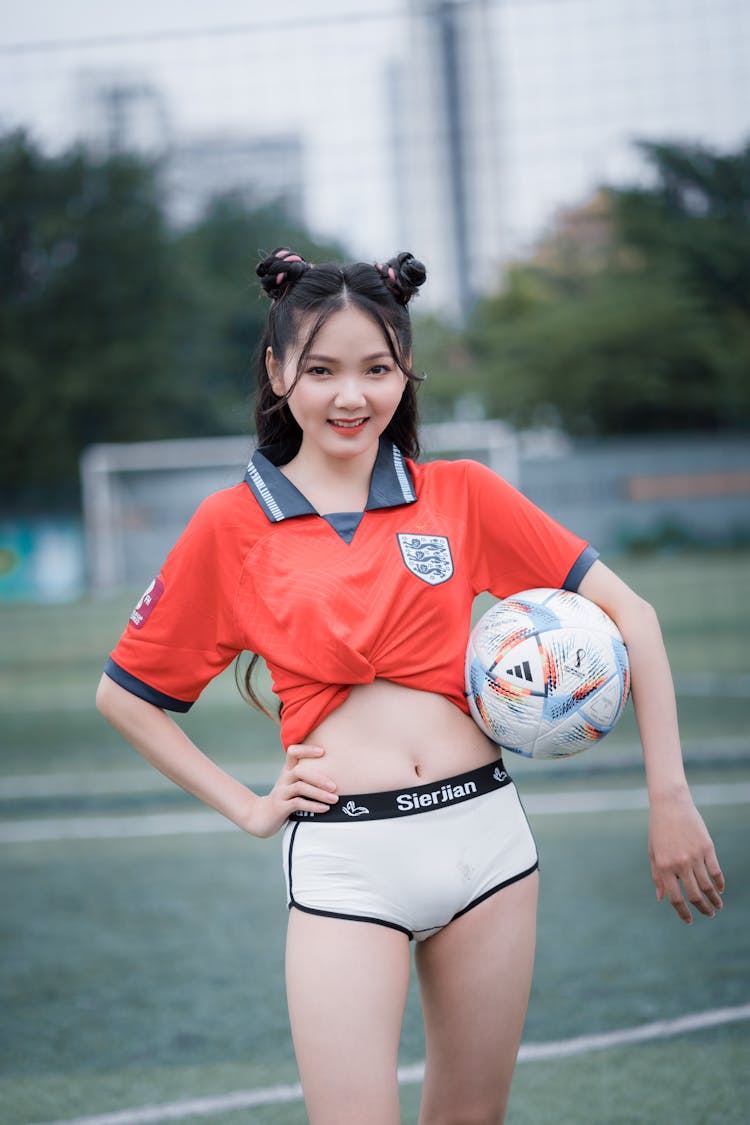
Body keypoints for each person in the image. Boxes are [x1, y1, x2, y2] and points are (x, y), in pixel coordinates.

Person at [96, 248, 724, 1125]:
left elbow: (636, 618)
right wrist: (247, 805)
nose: (350, 395)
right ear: (279, 373)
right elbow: (127, 695)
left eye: (376, 369)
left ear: (404, 374)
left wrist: (670, 799)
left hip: (488, 845)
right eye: (321, 369)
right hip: (347, 861)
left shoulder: (462, 493)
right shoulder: (230, 524)